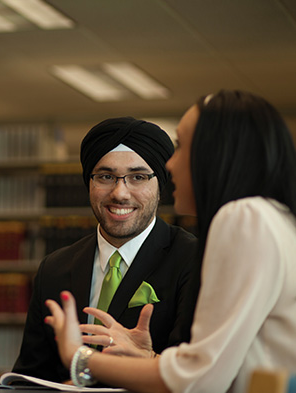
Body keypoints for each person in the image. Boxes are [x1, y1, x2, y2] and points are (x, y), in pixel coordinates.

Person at [45, 90, 296, 393]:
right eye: (105, 177)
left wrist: (79, 356)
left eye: (181, 146)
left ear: (214, 154)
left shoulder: (243, 216)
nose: (171, 165)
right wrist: (149, 357)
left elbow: (199, 376)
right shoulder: (274, 216)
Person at [12, 117, 201, 382]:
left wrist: (146, 358)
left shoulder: (193, 260)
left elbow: (199, 377)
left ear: (161, 185)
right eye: (105, 176)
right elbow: (31, 376)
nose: (120, 193)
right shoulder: (54, 268)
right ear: (88, 182)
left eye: (138, 177)